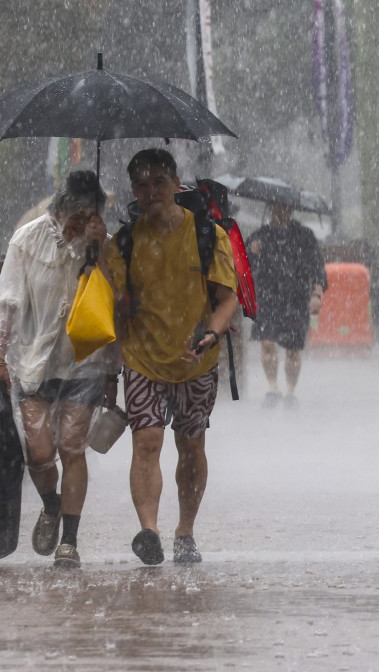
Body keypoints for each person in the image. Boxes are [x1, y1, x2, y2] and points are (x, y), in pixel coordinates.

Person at [106, 148, 239, 565]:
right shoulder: (124, 242)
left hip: (196, 361)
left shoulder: (207, 236)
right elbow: (112, 305)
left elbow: (227, 299)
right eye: (141, 185)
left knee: (191, 446)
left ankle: (185, 531)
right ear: (133, 189)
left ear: (176, 184)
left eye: (159, 182)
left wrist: (211, 335)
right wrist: (98, 257)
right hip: (142, 360)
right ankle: (149, 531)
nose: (150, 192)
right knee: (146, 441)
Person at [0, 170, 119, 569]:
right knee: (39, 454)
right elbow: (9, 303)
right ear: (60, 209)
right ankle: (51, 504)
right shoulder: (26, 240)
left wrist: (99, 251)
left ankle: (70, 542)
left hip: (84, 364)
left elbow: (117, 304)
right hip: (35, 363)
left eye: (90, 217)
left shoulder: (103, 245)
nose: (80, 225)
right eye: (76, 217)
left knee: (72, 448)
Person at [245, 201, 328, 409]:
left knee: (293, 349)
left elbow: (318, 267)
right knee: (267, 342)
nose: (280, 211)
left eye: (284, 207)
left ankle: (290, 393)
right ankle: (272, 389)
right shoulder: (260, 236)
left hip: (296, 299)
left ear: (291, 209)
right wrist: (252, 252)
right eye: (276, 206)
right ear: (271, 208)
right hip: (268, 297)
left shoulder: (304, 236)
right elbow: (243, 265)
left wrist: (317, 294)